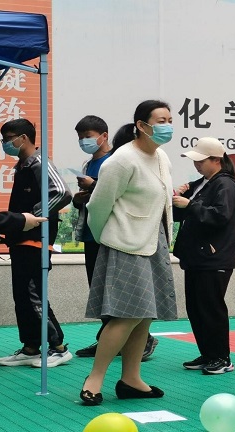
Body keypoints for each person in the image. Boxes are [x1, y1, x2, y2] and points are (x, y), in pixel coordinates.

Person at [79, 100, 177, 406]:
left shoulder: (162, 157)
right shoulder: (121, 160)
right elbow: (97, 206)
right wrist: (108, 238)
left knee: (145, 316)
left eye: (170, 119)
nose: (167, 126)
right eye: (161, 120)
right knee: (126, 315)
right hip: (125, 244)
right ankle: (94, 379)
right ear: (141, 125)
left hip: (154, 243)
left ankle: (131, 379)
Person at [73, 115, 159, 360]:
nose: (84, 141)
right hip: (92, 234)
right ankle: (107, 338)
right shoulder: (88, 164)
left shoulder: (116, 161)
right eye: (80, 138)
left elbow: (119, 194)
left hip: (113, 236)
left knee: (119, 293)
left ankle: (143, 340)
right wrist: (79, 198)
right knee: (100, 291)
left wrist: (93, 186)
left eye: (88, 137)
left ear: (104, 136)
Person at [0, 118, 73, 368]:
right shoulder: (23, 166)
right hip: (21, 240)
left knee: (34, 295)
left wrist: (35, 216)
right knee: (22, 296)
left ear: (24, 138)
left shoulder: (40, 163)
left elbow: (62, 192)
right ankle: (31, 346)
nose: (5, 144)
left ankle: (58, 347)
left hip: (36, 240)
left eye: (8, 139)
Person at [172, 137, 235, 375]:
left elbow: (221, 216)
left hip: (214, 257)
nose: (197, 164)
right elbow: (182, 215)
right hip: (197, 256)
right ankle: (209, 354)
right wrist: (180, 200)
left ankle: (222, 357)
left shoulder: (225, 184)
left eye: (201, 161)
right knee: (196, 308)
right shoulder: (203, 184)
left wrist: (189, 204)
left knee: (211, 308)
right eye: (195, 160)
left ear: (216, 160)